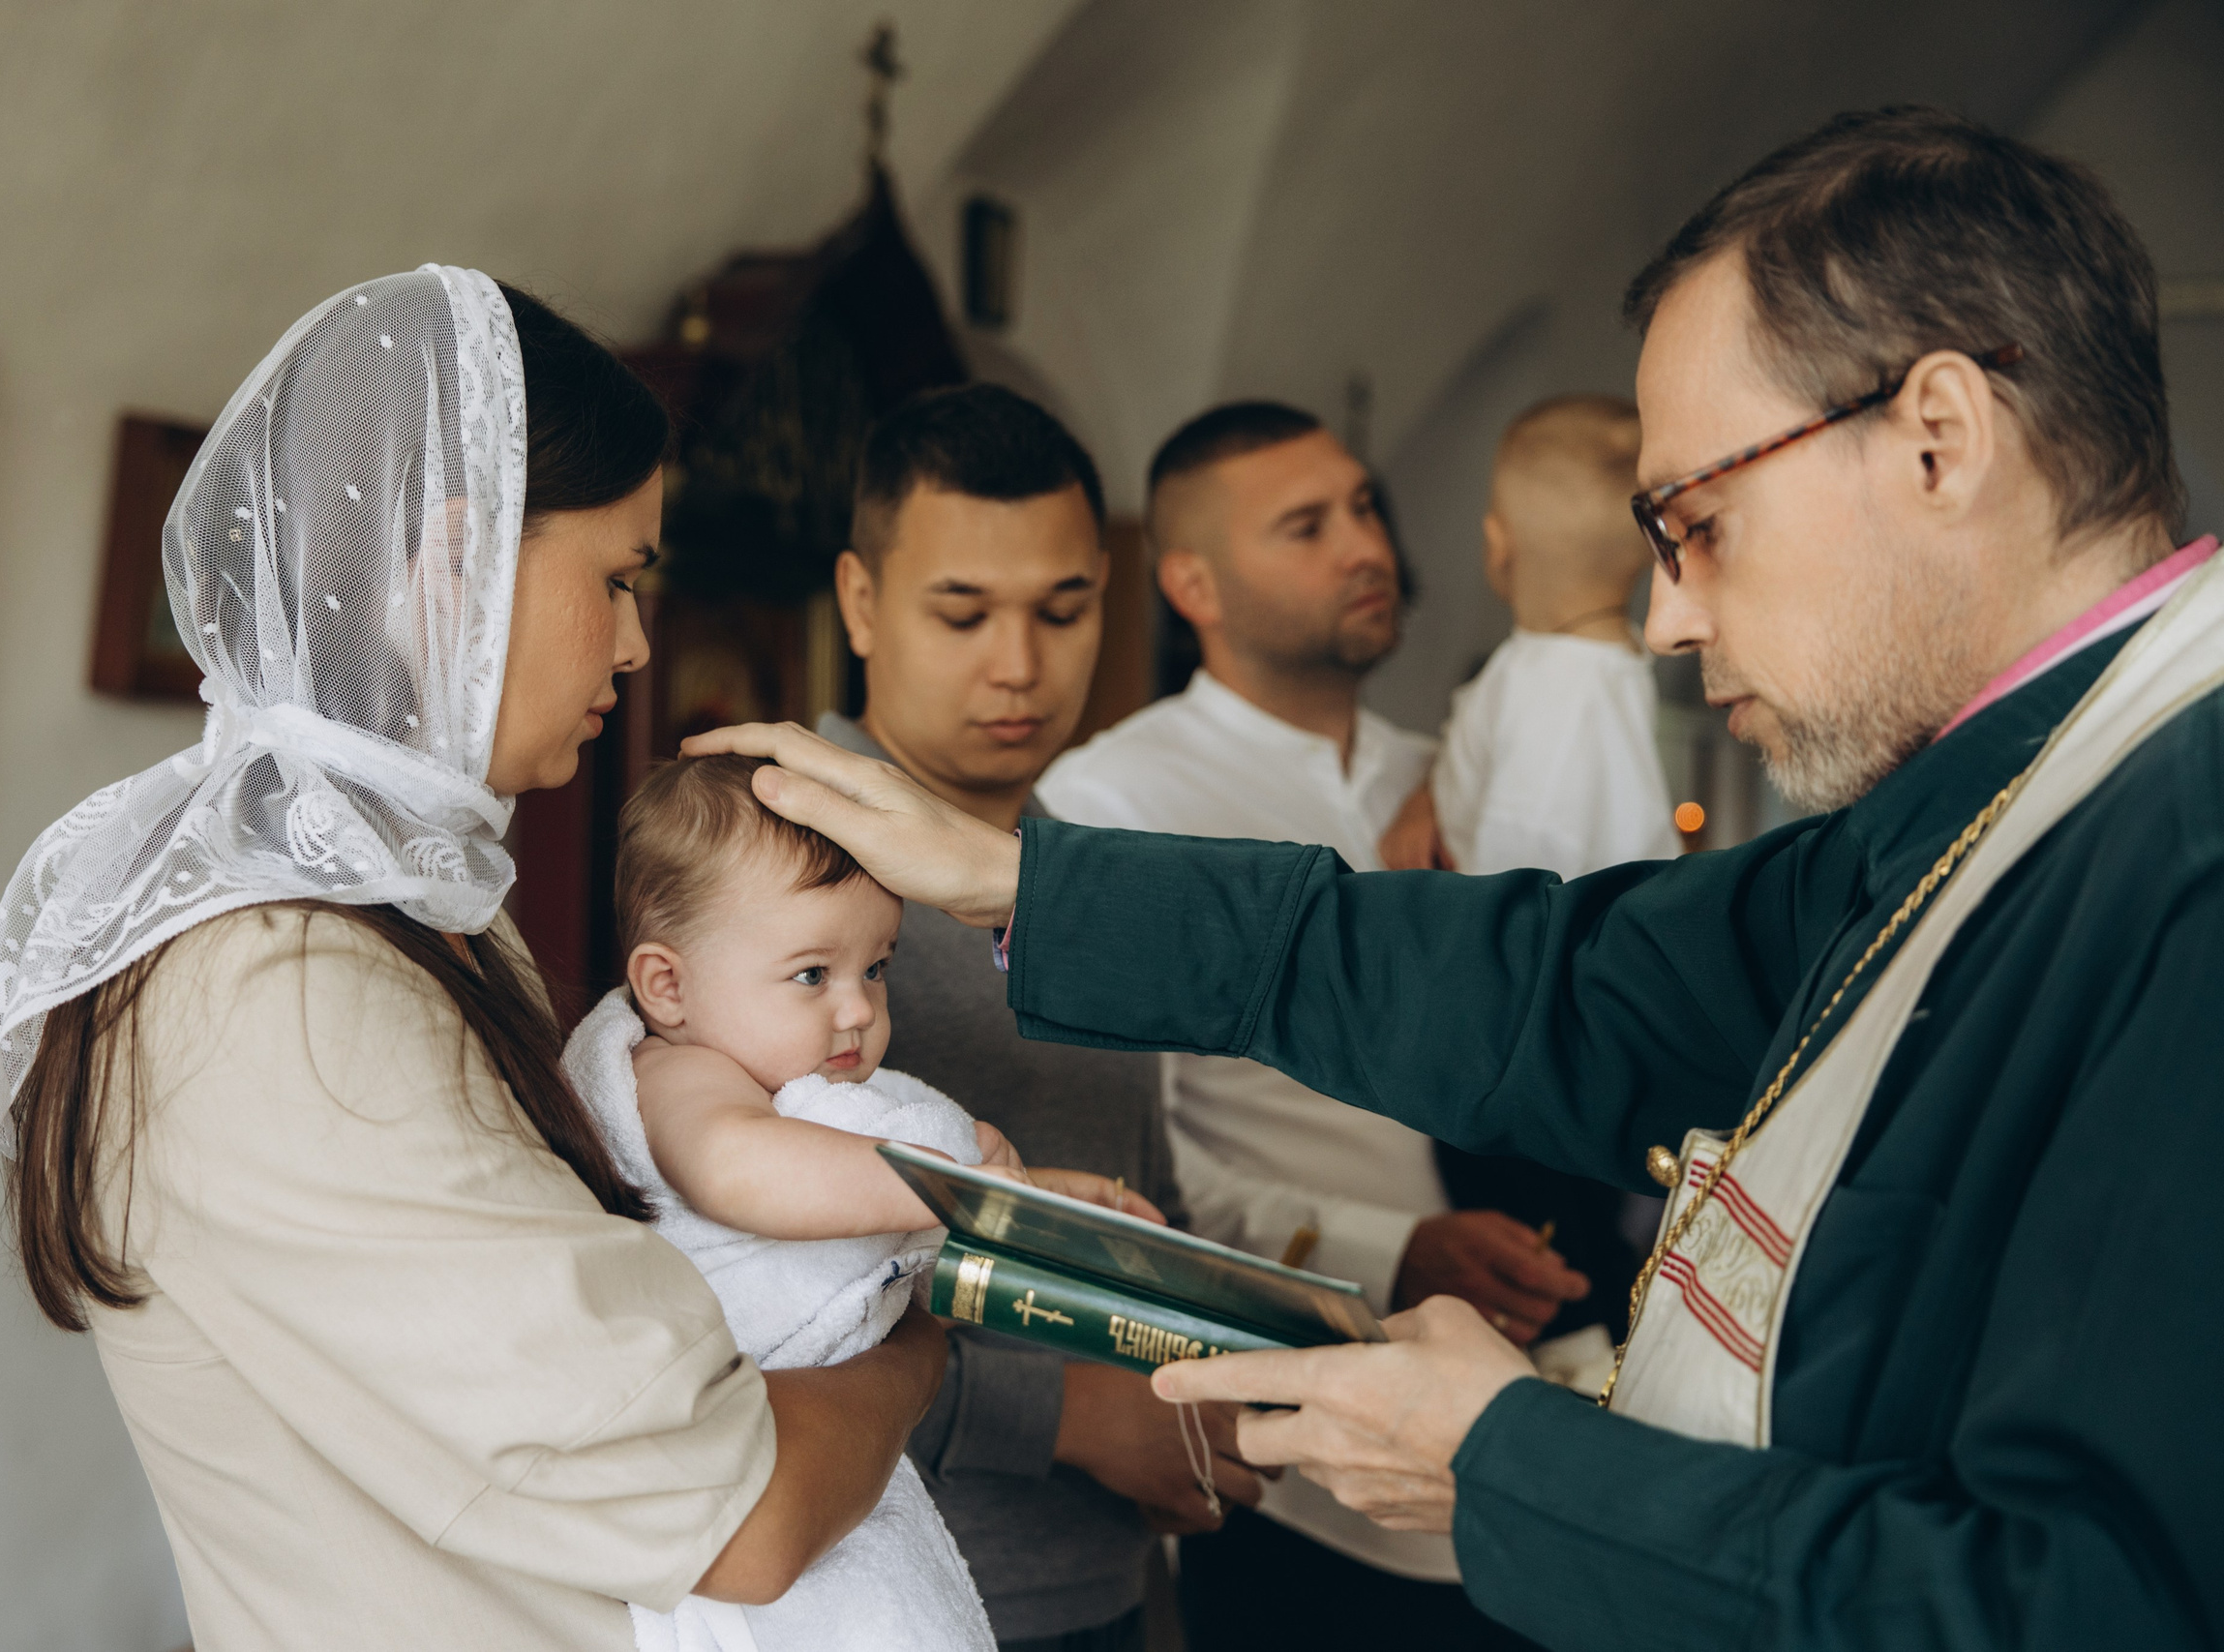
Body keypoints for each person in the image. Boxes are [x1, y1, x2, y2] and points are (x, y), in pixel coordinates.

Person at [694, 105, 2224, 1648]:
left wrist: (1509, 1462)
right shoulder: (2000, 796)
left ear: (1939, 439)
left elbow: (2098, 1600)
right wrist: (1029, 881)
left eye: (1697, 522)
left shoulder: (2187, 857)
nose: (1664, 623)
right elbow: (1565, 984)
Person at [0, 267, 946, 1651]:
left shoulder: (410, 911)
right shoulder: (275, 984)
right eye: (616, 578)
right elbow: (744, 1512)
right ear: (454, 560)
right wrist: (917, 1348)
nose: (634, 640)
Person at [1037, 403, 1583, 1650]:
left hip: (1524, 1401)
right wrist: (1390, 1248)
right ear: (1194, 583)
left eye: (1365, 508)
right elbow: (1134, 1152)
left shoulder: (1445, 772)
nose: (1365, 545)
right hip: (1300, 1441)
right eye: (1307, 525)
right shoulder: (1112, 802)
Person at [818, 382, 1260, 1652]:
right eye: (962, 611)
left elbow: (1134, 1195)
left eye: (1063, 609)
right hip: (891, 1587)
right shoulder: (775, 856)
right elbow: (729, 1265)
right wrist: (1062, 1412)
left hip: (1107, 1577)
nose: (1019, 665)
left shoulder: (1085, 874)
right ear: (860, 600)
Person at [565, 754, 1167, 1652]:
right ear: (667, 987)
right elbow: (741, 1170)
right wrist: (962, 1186)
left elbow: (878, 1197)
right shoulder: (674, 1075)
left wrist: (1023, 1197)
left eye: (877, 967)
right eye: (813, 974)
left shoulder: (793, 1086)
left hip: (835, 1454)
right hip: (734, 1508)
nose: (857, 1010)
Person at [1386, 395, 1680, 880]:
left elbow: (1517, 893)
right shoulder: (1577, 665)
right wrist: (1429, 798)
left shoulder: (1557, 694)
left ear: (1498, 545)